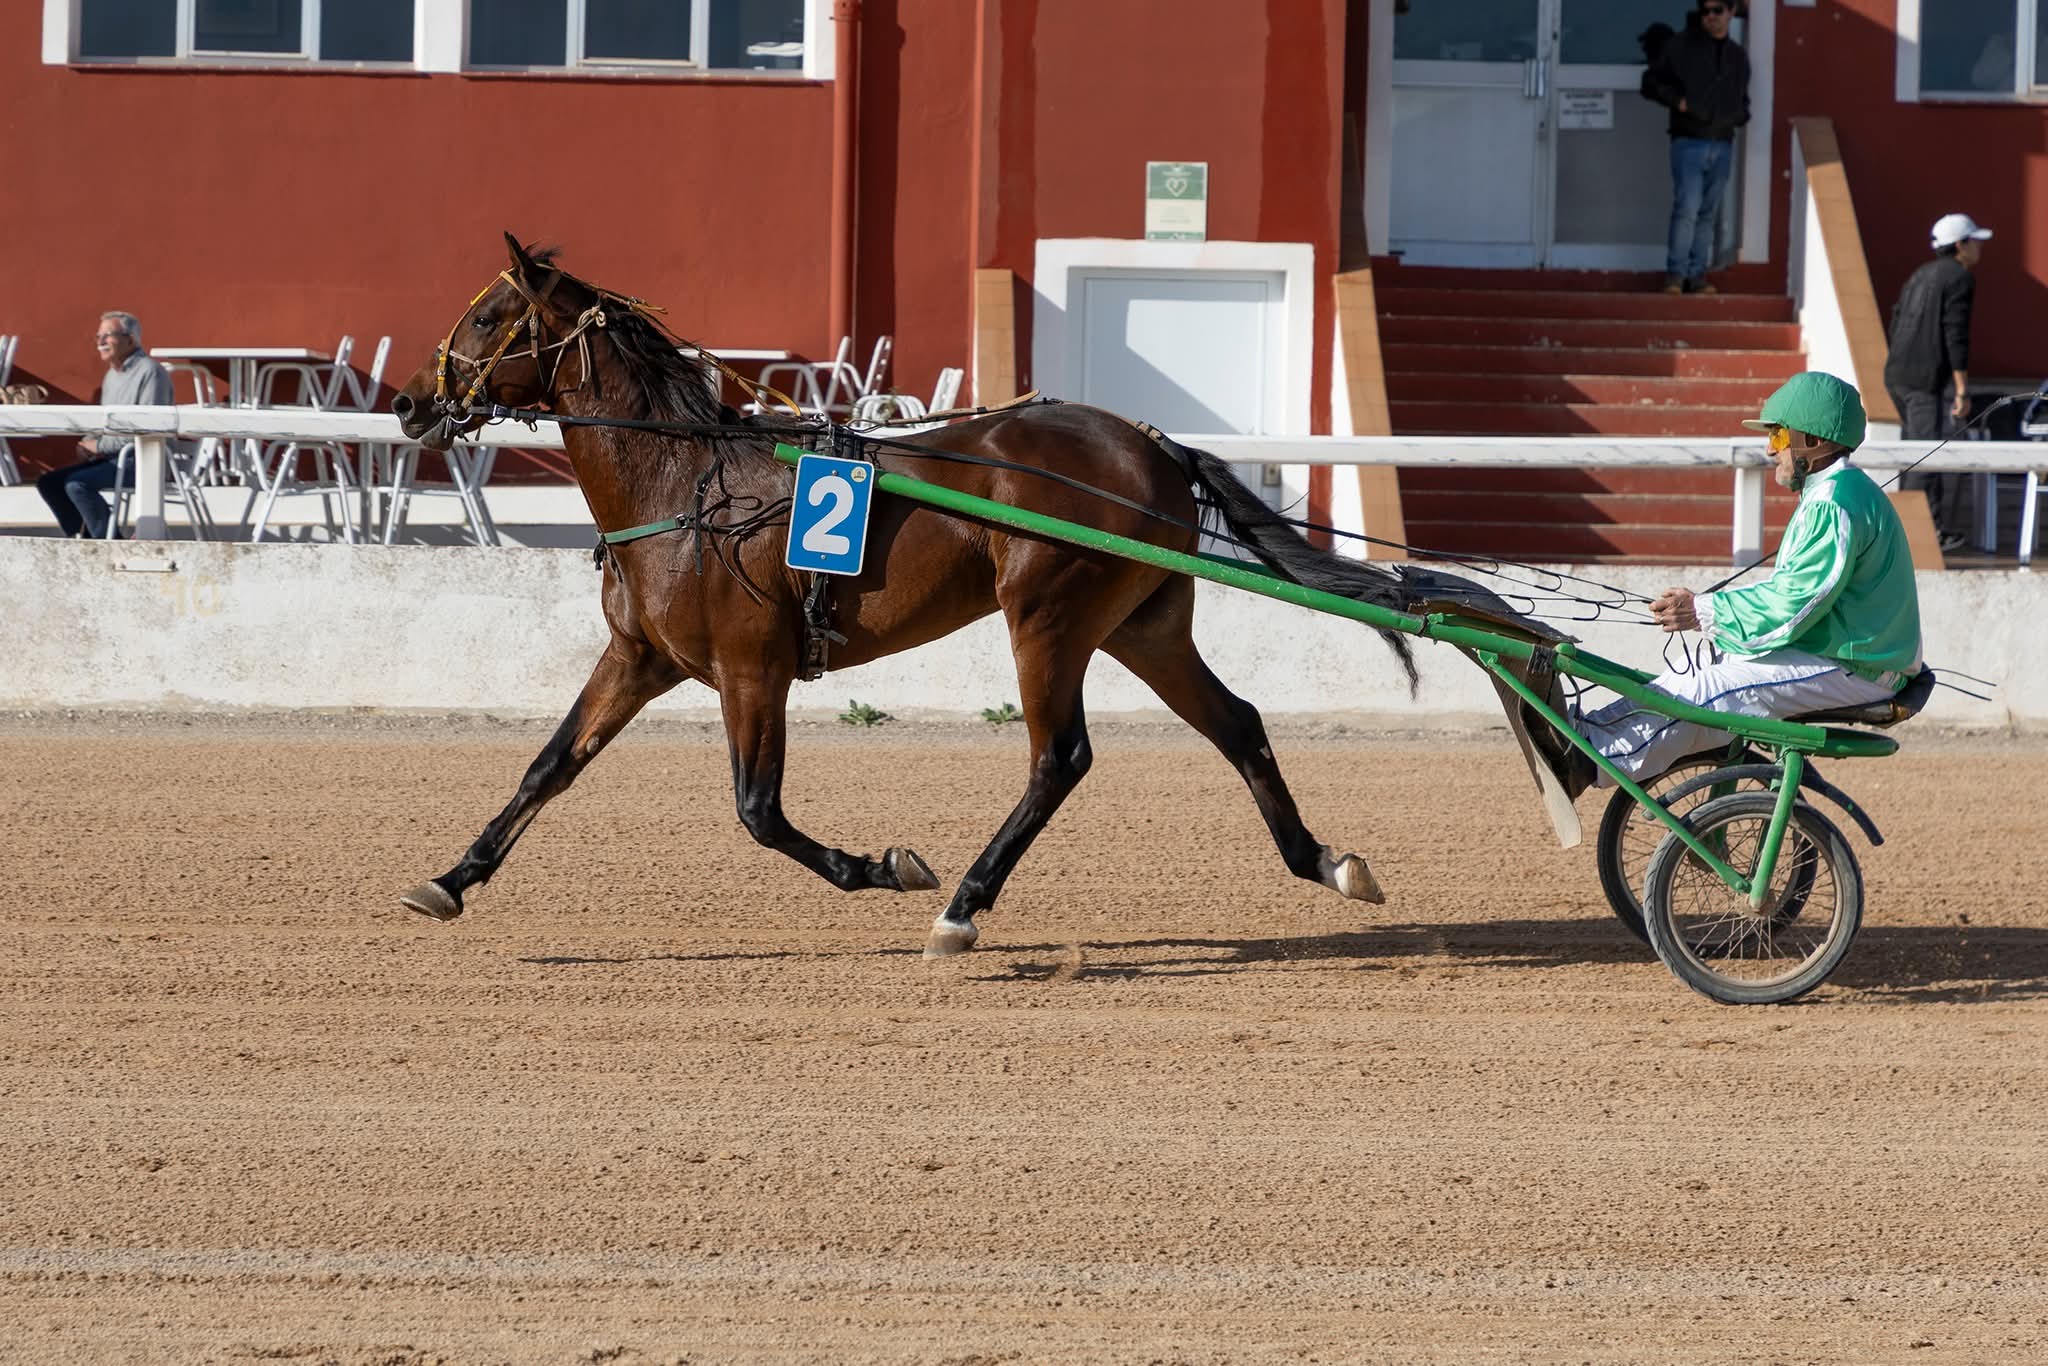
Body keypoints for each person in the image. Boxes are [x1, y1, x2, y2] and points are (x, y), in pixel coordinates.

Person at [1535, 372, 1923, 797]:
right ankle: (1585, 733)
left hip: (1860, 668)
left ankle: (1589, 759)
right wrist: (1708, 610)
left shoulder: (1834, 502)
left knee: (1708, 689)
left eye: (1777, 437)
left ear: (1811, 441)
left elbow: (1794, 603)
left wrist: (1702, 610)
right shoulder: (1836, 492)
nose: (1770, 450)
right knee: (1698, 667)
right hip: (1843, 655)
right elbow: (1793, 595)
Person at [1884, 212, 1991, 554]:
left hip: (1897, 374)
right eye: (1975, 242)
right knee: (1924, 453)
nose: (1979, 248)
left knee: (1917, 447)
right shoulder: (1960, 277)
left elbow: (1896, 319)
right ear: (1960, 245)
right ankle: (1923, 534)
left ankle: (1924, 530)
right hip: (1922, 380)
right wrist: (1961, 388)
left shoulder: (1921, 274)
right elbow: (1955, 334)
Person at [35, 311, 175, 540]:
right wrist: (86, 443)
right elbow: (104, 423)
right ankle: (85, 542)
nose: (100, 341)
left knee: (77, 485)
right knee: (49, 483)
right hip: (112, 457)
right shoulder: (112, 375)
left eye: (107, 335)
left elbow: (147, 430)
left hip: (142, 460)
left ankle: (110, 544)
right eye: (98, 336)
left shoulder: (151, 372)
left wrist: (98, 446)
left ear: (130, 339)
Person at [1641, 3, 1749, 295]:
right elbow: (1650, 82)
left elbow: (1742, 98)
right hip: (1689, 140)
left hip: (1722, 142)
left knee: (1707, 213)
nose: (1710, 16)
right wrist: (1679, 102)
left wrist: (1738, 115)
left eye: (1717, 10)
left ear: (1731, 12)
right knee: (1687, 209)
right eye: (1705, 11)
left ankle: (1697, 276)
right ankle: (1676, 276)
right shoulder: (1682, 47)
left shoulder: (1737, 56)